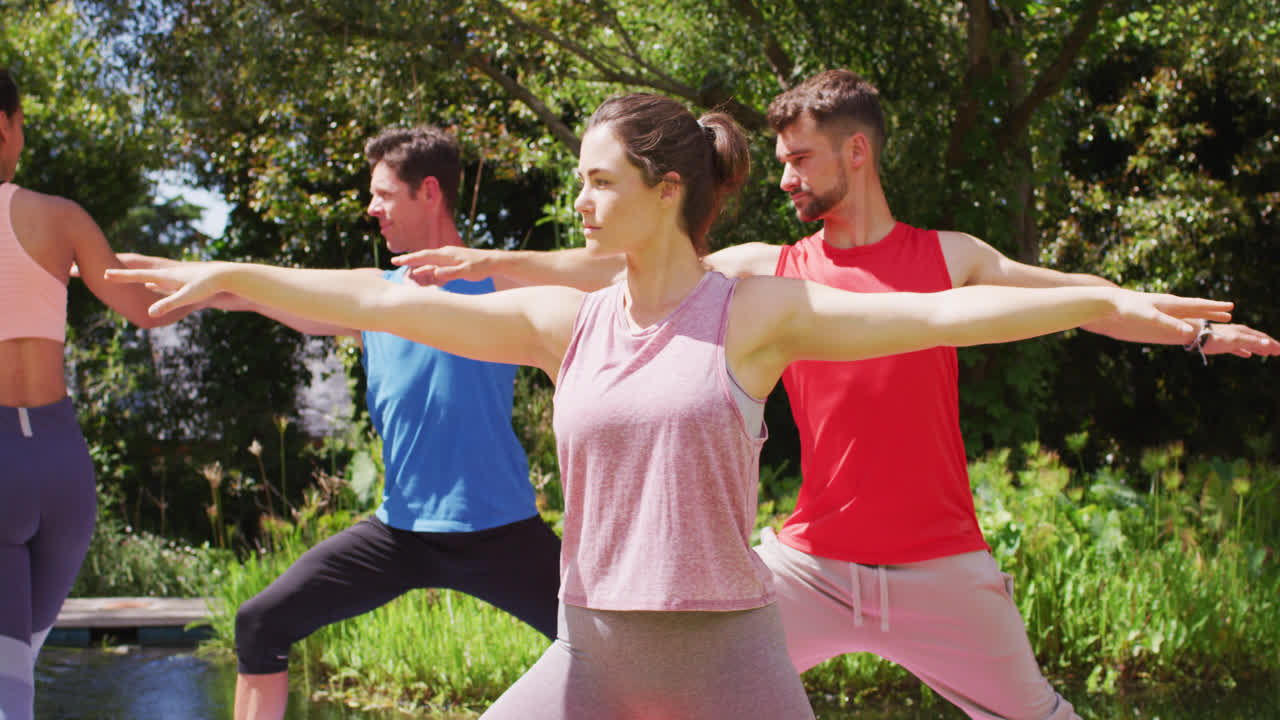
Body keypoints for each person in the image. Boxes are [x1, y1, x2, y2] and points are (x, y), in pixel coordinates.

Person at [105, 92, 1233, 720]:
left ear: (666, 188)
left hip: (731, 654)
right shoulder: (563, 324)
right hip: (593, 650)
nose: (580, 199)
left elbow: (951, 314)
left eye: (599, 180)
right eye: (580, 179)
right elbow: (378, 298)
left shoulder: (754, 311)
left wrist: (1113, 300)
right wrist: (234, 275)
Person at [390, 70, 1278, 720]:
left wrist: (1187, 329)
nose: (783, 178)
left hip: (940, 566)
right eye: (778, 161)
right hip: (810, 566)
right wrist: (493, 262)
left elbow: (1073, 298)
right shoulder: (764, 273)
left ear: (857, 152)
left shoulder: (948, 257)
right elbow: (620, 261)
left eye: (800, 159)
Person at [136, 126, 563, 720]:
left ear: (429, 192)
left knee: (615, 645)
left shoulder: (503, 281)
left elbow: (609, 276)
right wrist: (119, 267)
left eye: (383, 194)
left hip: (501, 532)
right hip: (399, 534)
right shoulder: (372, 295)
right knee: (259, 623)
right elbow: (245, 292)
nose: (371, 209)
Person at [0, 67, 199, 720]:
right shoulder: (59, 219)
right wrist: (222, 285)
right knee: (16, 670)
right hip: (62, 467)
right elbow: (145, 309)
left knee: (7, 685)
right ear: (5, 125)